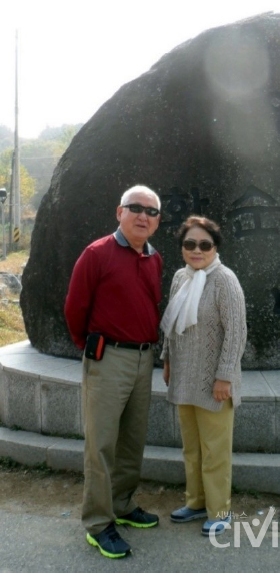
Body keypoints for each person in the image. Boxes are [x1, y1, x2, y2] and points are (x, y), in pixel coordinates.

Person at [64, 185, 163, 559]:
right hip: (108, 359)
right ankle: (98, 522)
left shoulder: (154, 258)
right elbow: (75, 308)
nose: (143, 216)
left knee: (132, 440)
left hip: (142, 358)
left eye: (151, 211)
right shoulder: (97, 253)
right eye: (135, 208)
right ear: (119, 212)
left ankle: (122, 503)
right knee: (101, 444)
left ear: (157, 220)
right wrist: (90, 349)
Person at [160, 215, 246, 537]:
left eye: (204, 244)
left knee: (215, 450)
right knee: (192, 448)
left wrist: (224, 376)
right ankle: (196, 503)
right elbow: (171, 325)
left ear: (215, 247)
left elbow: (236, 332)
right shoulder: (181, 277)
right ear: (183, 247)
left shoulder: (225, 280)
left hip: (215, 383)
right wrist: (167, 359)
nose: (197, 250)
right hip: (184, 377)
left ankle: (219, 510)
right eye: (190, 244)